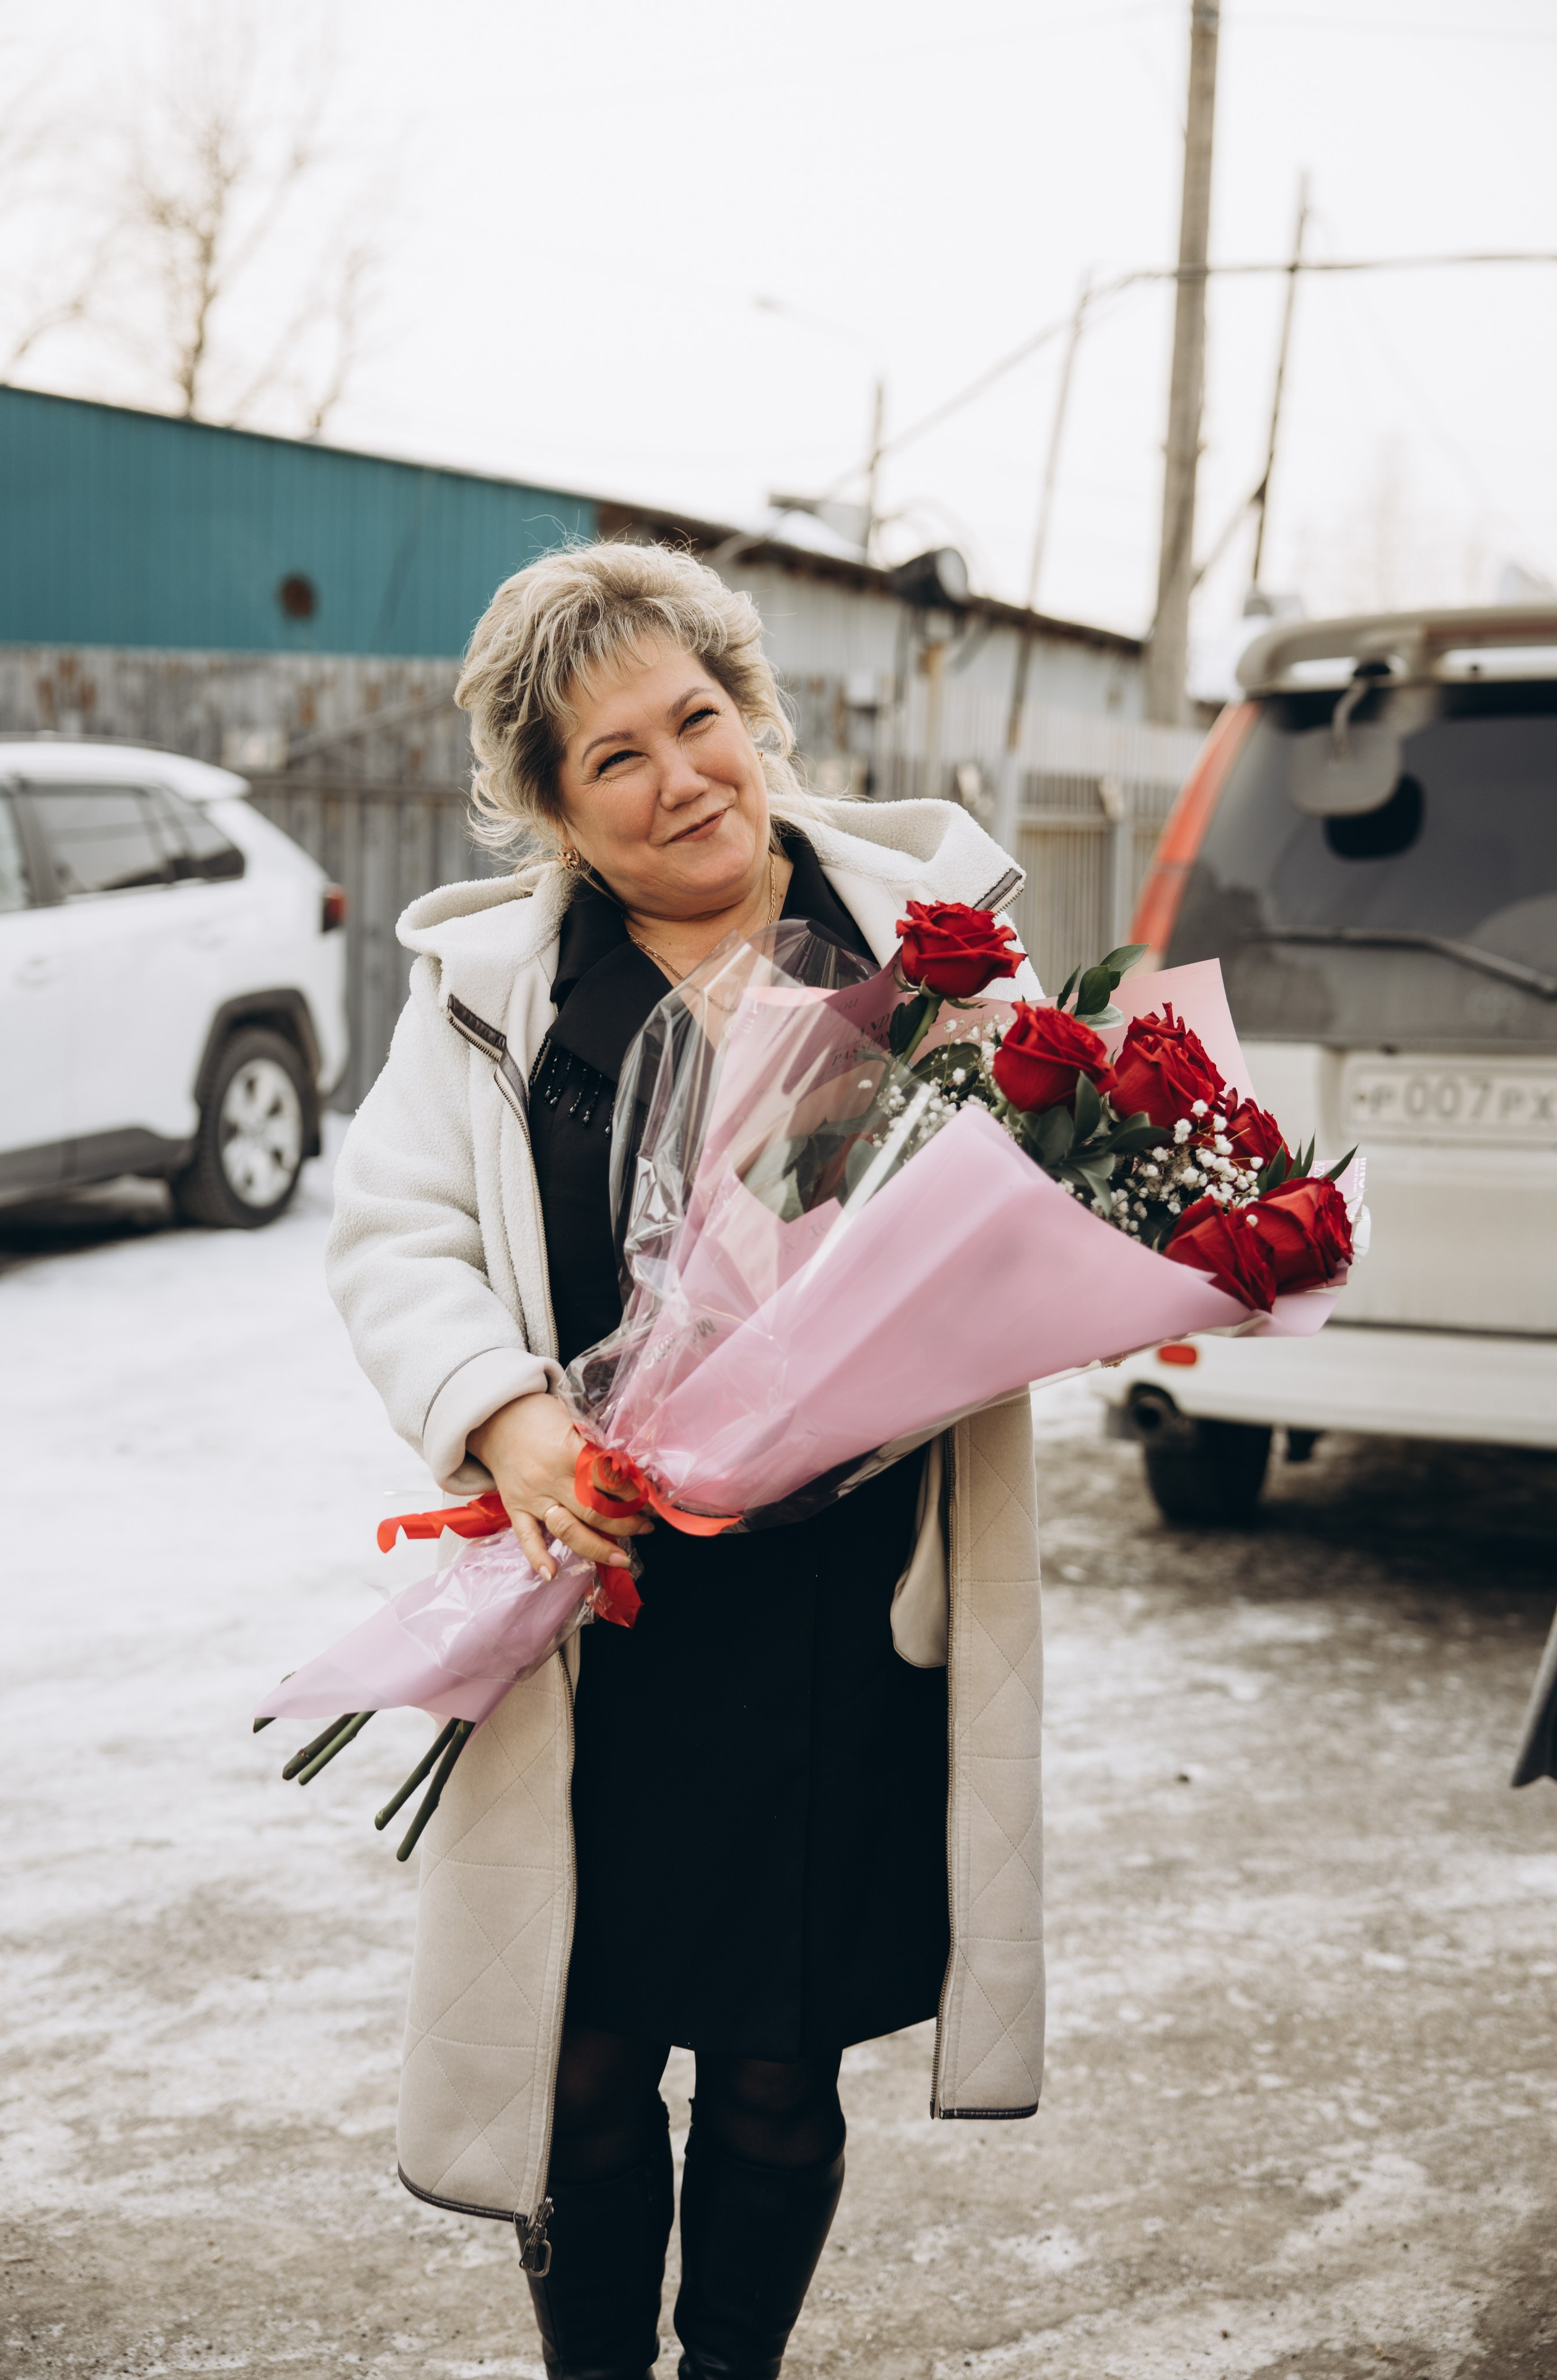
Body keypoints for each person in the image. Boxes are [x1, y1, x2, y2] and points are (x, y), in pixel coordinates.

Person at [327, 542, 1046, 2380]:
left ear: (755, 712)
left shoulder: (925, 953)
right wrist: (512, 1413)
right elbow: (394, 1232)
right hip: (608, 1611)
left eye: (697, 720)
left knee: (779, 2064)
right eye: (613, 759)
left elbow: (1038, 1207)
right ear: (555, 810)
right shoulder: (494, 994)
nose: (680, 779)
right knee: (578, 2059)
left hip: (835, 1611)